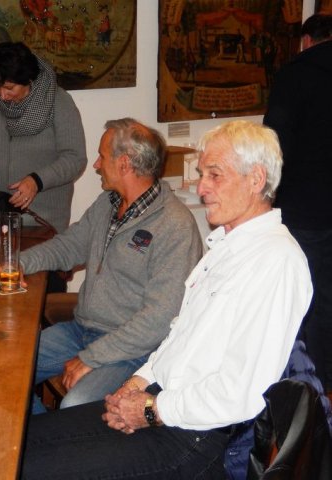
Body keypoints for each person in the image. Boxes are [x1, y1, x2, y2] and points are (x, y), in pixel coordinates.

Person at [20, 120, 313, 479]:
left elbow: (239, 395)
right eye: (202, 174)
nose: (200, 188)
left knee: (29, 466)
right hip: (164, 405)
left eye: (214, 175)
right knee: (21, 442)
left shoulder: (275, 261)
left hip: (193, 438)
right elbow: (178, 336)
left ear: (255, 179)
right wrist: (136, 383)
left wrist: (150, 410)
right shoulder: (227, 247)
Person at [0, 118, 203, 412]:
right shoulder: (108, 203)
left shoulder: (175, 225)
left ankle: (51, 434)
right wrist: (18, 263)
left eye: (102, 156)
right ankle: (36, 432)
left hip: (133, 351)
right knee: (0, 367)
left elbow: (160, 319)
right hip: (81, 331)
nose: (96, 165)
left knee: (75, 405)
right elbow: (69, 245)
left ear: (124, 164)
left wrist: (92, 358)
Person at [263, 13, 332, 395]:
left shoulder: (296, 74)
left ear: (306, 40)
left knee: (306, 300)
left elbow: (273, 145)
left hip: (306, 207)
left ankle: (310, 389)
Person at [0, 41, 86, 235]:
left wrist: (37, 181)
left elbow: (75, 159)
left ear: (28, 79)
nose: (2, 96)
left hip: (43, 221)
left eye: (9, 88)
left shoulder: (58, 101)